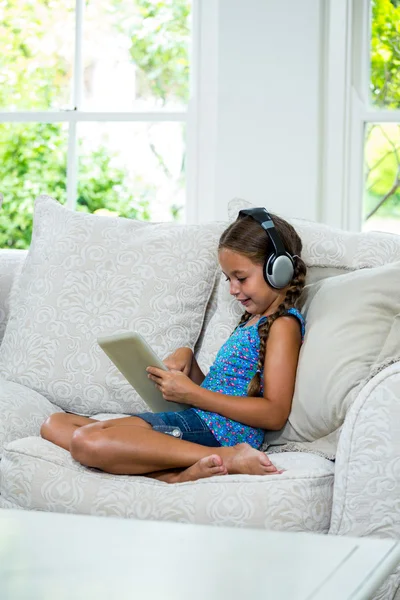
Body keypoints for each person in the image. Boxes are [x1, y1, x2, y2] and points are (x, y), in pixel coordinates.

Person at [41, 208, 306, 484]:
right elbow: (222, 393)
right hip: (199, 421)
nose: (233, 289)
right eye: (229, 279)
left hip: (221, 435)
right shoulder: (251, 321)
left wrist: (192, 394)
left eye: (241, 278)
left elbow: (274, 413)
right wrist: (190, 365)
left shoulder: (283, 325)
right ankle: (172, 474)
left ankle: (227, 458)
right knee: (55, 424)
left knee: (86, 442)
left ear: (278, 270)